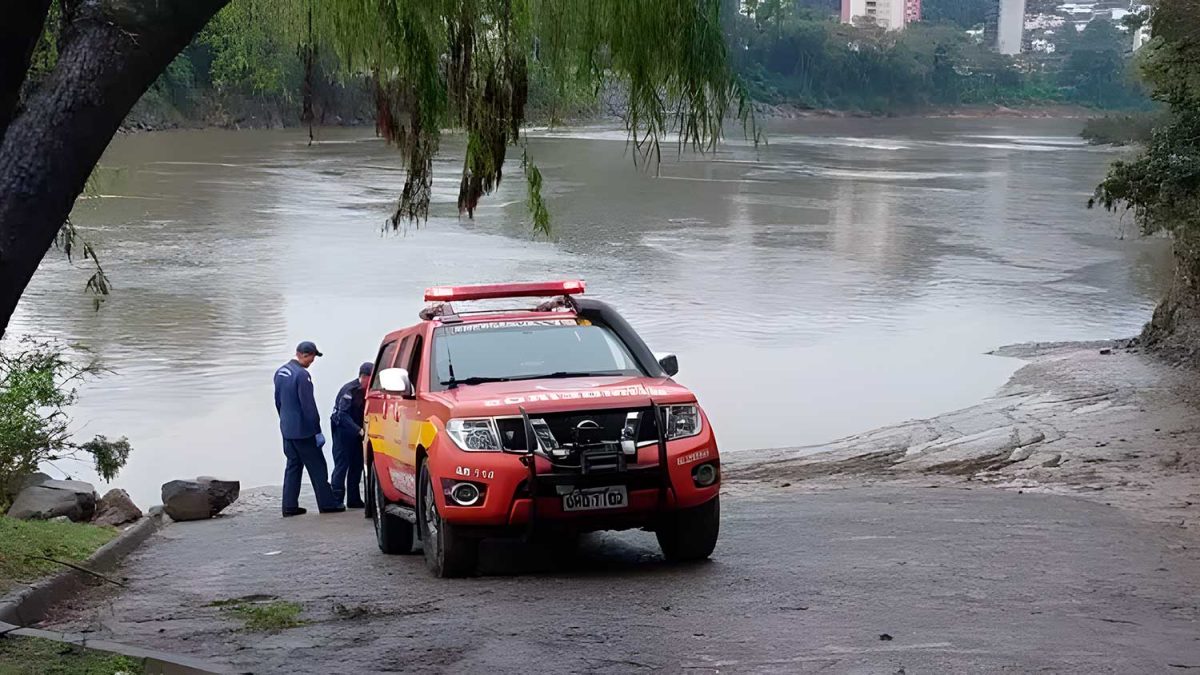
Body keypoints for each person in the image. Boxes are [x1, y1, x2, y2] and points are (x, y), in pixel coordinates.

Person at [273, 341, 344, 516]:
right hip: (303, 431)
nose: (313, 361)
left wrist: (284, 421)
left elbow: (278, 401)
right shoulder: (302, 376)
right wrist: (316, 430)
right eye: (313, 357)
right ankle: (327, 504)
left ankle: (289, 507)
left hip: (287, 429)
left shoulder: (281, 372)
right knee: (318, 467)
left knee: (293, 466)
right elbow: (308, 406)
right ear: (306, 355)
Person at [330, 362, 373, 509]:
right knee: (342, 464)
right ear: (364, 377)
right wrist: (358, 430)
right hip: (342, 430)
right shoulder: (349, 390)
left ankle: (354, 499)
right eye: (371, 379)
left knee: (357, 464)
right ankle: (336, 499)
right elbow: (342, 415)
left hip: (357, 431)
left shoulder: (369, 392)